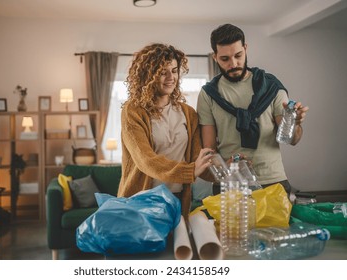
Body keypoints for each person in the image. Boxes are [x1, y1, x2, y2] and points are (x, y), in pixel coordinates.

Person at [197, 24, 309, 194]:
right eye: (225, 59)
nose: (233, 64)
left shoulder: (270, 87)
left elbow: (291, 139)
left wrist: (295, 123)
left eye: (238, 55)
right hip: (230, 182)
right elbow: (209, 150)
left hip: (272, 181)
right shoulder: (208, 94)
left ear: (245, 48)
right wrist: (225, 166)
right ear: (215, 57)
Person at [117, 43, 213, 218]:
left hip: (177, 200)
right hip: (141, 200)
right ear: (148, 75)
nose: (171, 77)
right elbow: (146, 160)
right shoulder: (133, 111)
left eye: (174, 70)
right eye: (163, 72)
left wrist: (229, 169)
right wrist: (189, 171)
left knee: (179, 245)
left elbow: (196, 160)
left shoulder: (188, 113)